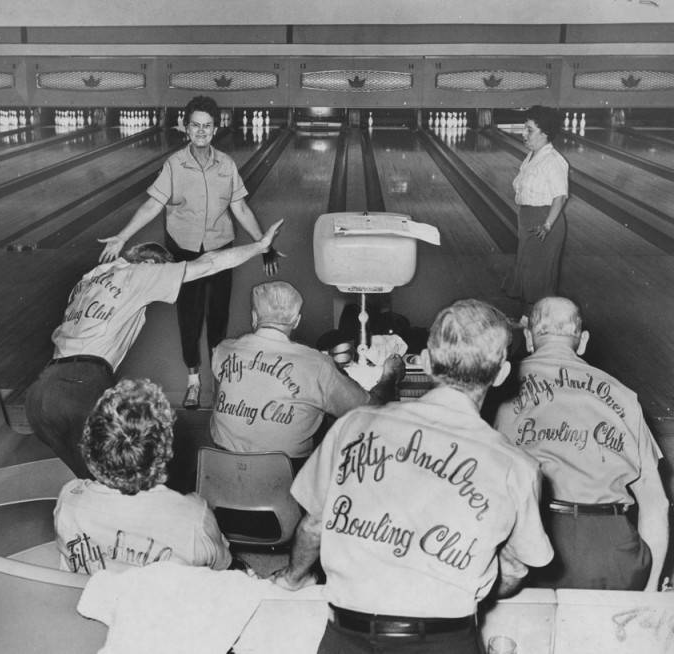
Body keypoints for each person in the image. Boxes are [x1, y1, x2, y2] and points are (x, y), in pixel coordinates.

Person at [272, 299, 553, 654]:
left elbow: (314, 526)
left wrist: (292, 577)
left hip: (347, 636)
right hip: (446, 640)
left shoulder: (353, 425)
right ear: (501, 374)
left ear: (426, 362)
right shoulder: (517, 466)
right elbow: (514, 571)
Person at [26, 220, 282, 478]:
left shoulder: (92, 277)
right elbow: (209, 263)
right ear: (150, 264)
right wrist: (259, 246)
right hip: (82, 388)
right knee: (119, 477)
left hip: (42, 393)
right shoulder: (141, 274)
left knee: (87, 480)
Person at [98, 95, 280, 410]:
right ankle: (194, 379)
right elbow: (153, 204)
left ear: (215, 128)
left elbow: (240, 207)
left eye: (207, 126)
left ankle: (221, 381)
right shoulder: (173, 165)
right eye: (195, 125)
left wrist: (263, 242)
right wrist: (123, 236)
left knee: (218, 317)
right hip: (183, 252)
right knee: (190, 317)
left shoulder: (226, 165)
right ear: (185, 127)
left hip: (220, 248)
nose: (200, 131)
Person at [494, 296, 669, 591]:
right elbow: (657, 504)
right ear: (583, 340)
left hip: (535, 539)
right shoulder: (624, 395)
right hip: (612, 548)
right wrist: (650, 593)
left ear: (528, 337)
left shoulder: (500, 388)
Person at [210, 281, 405, 470]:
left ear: (254, 317)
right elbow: (369, 411)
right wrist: (390, 374)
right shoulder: (317, 365)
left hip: (220, 476)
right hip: (285, 485)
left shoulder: (223, 351)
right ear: (296, 321)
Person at [54, 378, 232, 574]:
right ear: (164, 452)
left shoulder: (69, 498)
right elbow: (221, 566)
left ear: (90, 448)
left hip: (95, 601)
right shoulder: (195, 516)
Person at [506, 105, 569, 318]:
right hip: (529, 221)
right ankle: (528, 320)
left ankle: (535, 325)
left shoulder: (553, 160)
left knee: (538, 277)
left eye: (529, 129)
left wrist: (547, 225)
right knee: (528, 273)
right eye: (525, 128)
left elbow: (560, 196)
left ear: (545, 133)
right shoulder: (533, 155)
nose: (524, 133)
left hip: (544, 222)